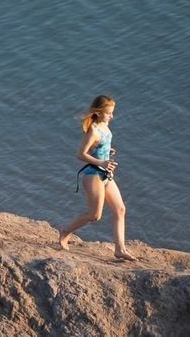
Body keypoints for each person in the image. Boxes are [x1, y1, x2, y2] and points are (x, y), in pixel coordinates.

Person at [56, 95, 132, 261]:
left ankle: (120, 249)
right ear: (98, 112)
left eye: (112, 112)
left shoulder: (105, 126)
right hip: (93, 175)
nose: (112, 116)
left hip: (105, 174)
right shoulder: (93, 131)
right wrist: (102, 162)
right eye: (108, 113)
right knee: (95, 215)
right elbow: (80, 154)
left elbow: (97, 147)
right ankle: (65, 231)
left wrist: (107, 150)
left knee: (120, 209)